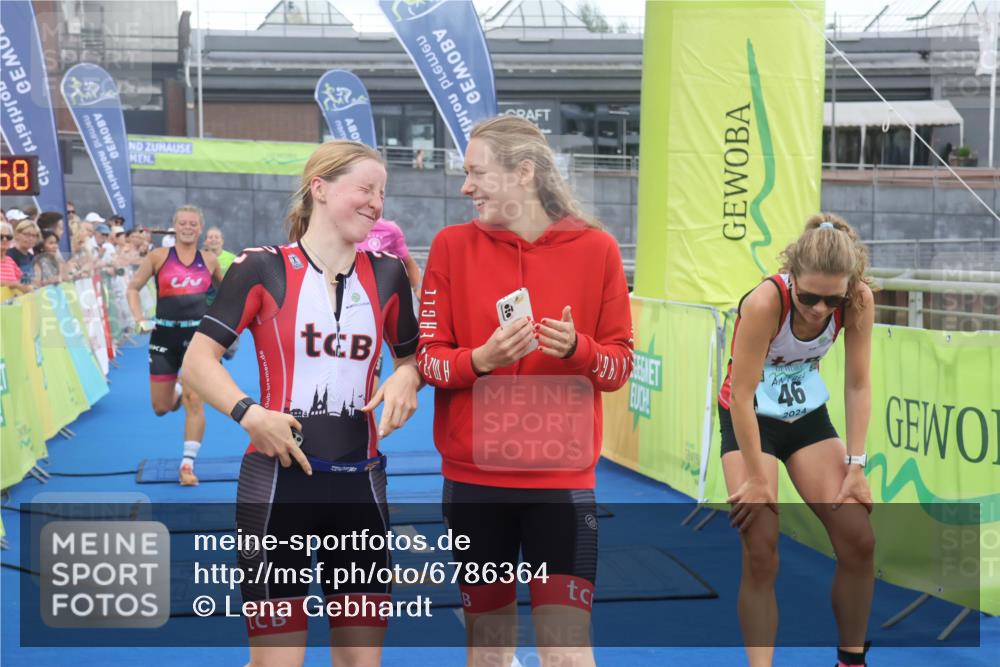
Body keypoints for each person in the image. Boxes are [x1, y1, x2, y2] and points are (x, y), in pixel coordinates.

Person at [181, 140, 422, 665]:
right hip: (275, 488)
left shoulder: (388, 274)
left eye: (382, 193)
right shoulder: (262, 267)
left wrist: (409, 375)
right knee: (277, 662)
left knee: (362, 661)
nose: (377, 203)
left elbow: (412, 360)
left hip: (361, 484)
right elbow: (197, 362)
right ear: (320, 188)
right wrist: (251, 413)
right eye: (365, 189)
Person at [417, 116, 634, 667]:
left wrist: (578, 350)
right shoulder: (450, 247)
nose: (465, 186)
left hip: (561, 486)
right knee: (488, 654)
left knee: (565, 655)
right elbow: (429, 361)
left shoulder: (598, 249)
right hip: (474, 486)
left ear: (525, 173)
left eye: (477, 172)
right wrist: (481, 361)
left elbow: (618, 367)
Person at [718, 213, 876, 667]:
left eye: (833, 299)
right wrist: (757, 477)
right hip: (750, 419)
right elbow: (743, 394)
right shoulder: (767, 302)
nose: (820, 310)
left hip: (805, 416)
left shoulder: (858, 301)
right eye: (809, 297)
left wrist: (856, 466)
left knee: (858, 538)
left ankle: (851, 660)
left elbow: (858, 384)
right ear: (792, 275)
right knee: (762, 546)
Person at [126, 205, 223, 486]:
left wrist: (223, 329)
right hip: (163, 337)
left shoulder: (210, 260)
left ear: (200, 227)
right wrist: (138, 318)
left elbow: (227, 293)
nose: (188, 227)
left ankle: (187, 466)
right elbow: (133, 287)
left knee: (196, 401)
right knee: (161, 406)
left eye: (193, 223)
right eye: (183, 223)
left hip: (198, 340)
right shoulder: (158, 257)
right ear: (175, 226)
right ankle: (177, 389)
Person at [1, 221, 32, 300]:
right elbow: (16, 284)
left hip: (12, 309)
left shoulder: (10, 261)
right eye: (0, 237)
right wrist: (13, 284)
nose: (5, 239)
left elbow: (24, 281)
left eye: (8, 237)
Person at [7, 220, 40, 285]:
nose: (30, 238)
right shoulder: (9, 255)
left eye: (34, 236)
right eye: (27, 234)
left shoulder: (32, 257)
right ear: (17, 234)